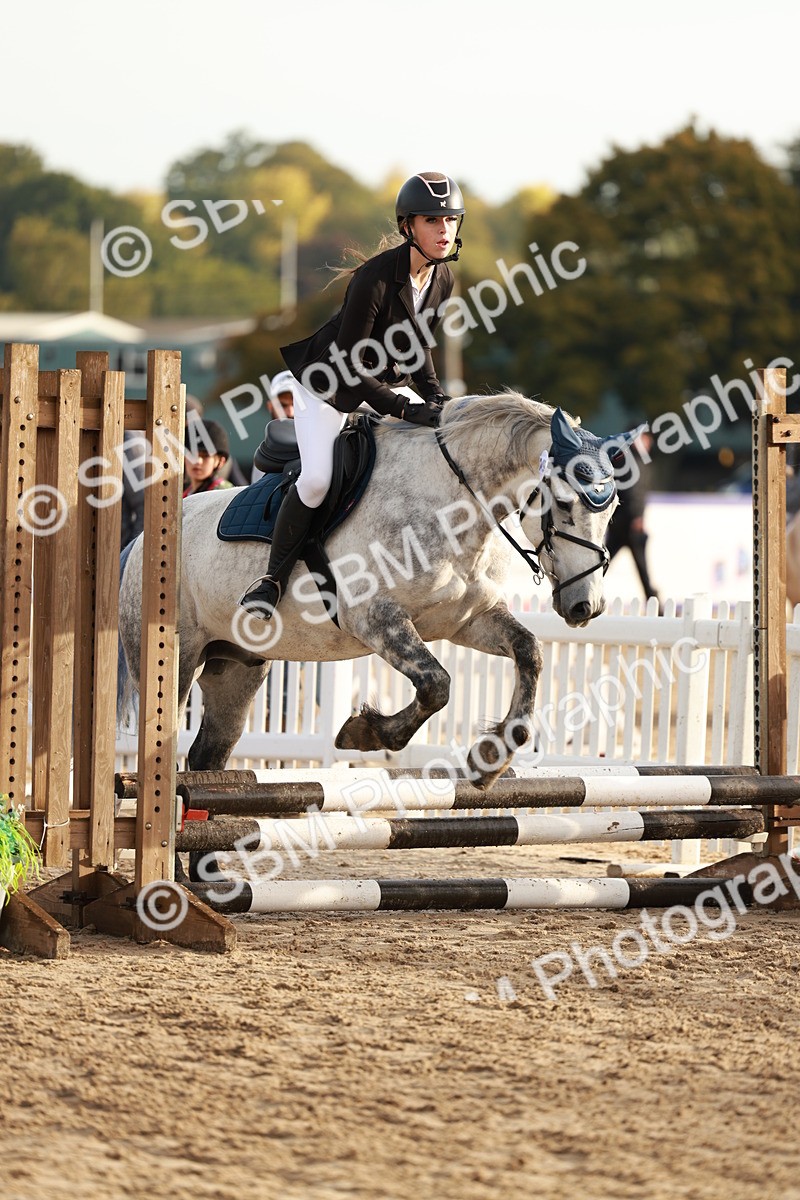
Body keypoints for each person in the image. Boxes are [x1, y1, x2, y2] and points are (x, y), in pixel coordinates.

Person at [239, 170, 464, 619]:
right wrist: (404, 406)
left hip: (378, 384)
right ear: (408, 227)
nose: (444, 231)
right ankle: (271, 579)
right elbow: (351, 365)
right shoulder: (373, 280)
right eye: (432, 221)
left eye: (451, 221)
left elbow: (416, 347)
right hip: (328, 385)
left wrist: (436, 399)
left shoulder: (441, 281)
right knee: (318, 479)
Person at [605, 429, 661, 606]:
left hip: (619, 524)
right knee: (642, 571)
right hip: (630, 524)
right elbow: (634, 492)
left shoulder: (624, 459)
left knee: (602, 565)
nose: (648, 442)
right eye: (645, 438)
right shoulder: (635, 461)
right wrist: (637, 516)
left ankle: (653, 601)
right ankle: (654, 604)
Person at [251, 370, 298, 483]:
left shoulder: (320, 447)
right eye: (282, 405)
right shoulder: (263, 455)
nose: (290, 412)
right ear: (270, 406)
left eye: (296, 403)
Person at [183, 420, 234, 497]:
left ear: (220, 461)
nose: (198, 461)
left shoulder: (224, 493)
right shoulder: (181, 493)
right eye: (192, 454)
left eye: (206, 456)